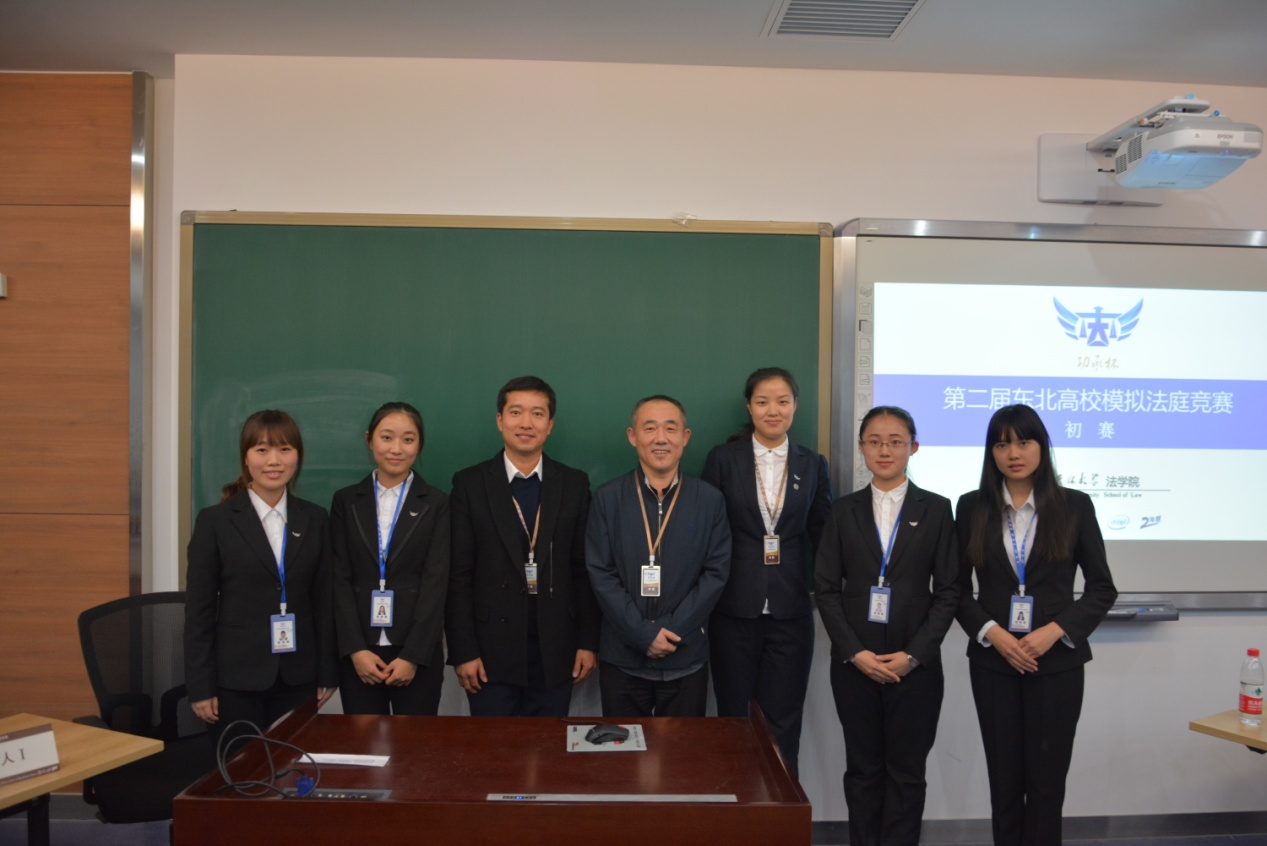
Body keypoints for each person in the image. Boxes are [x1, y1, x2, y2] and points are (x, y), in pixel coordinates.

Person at [955, 404, 1118, 846]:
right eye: (1002, 444)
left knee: (1047, 786)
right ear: (991, 452)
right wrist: (993, 633)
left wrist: (1055, 630)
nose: (1014, 453)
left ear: (1042, 447)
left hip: (1057, 664)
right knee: (1004, 784)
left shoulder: (1074, 506)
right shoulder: (971, 507)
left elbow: (1102, 589)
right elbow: (955, 591)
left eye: (1024, 442)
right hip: (994, 664)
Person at [814, 406, 959, 846]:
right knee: (862, 771)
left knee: (907, 773)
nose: (885, 450)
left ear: (913, 447)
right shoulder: (843, 511)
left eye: (896, 441)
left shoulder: (937, 509)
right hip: (855, 665)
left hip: (915, 668)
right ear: (861, 448)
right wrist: (854, 652)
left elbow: (949, 591)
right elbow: (825, 588)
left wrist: (914, 655)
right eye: (875, 441)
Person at [701, 367, 831, 776]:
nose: (773, 410)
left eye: (782, 401)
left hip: (791, 613)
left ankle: (780, 808)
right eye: (762, 402)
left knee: (783, 722)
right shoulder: (724, 459)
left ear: (795, 406)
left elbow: (823, 535)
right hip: (732, 610)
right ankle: (738, 807)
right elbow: (708, 534)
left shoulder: (813, 463)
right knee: (734, 719)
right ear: (749, 407)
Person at [445, 376, 600, 717]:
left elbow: (583, 570)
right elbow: (458, 575)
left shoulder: (573, 484)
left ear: (550, 424)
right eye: (516, 412)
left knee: (548, 746)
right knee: (495, 747)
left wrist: (588, 642)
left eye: (537, 414)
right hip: (489, 653)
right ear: (500, 420)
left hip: (556, 649)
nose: (526, 423)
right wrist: (463, 651)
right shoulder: (470, 484)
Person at [184, 410, 337, 745]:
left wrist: (327, 673)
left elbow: (324, 601)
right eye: (262, 450)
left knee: (294, 766)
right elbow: (199, 610)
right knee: (240, 769)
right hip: (235, 679)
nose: (274, 461)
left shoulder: (315, 518)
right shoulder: (215, 521)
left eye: (284, 449)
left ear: (298, 455)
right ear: (246, 456)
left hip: (299, 675)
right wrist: (200, 686)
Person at [586, 395, 731, 717]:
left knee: (682, 750)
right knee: (622, 748)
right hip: (623, 657)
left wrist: (671, 629)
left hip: (686, 655)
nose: (660, 438)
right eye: (649, 428)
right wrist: (642, 633)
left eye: (670, 428)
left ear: (685, 437)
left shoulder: (710, 500)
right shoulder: (607, 498)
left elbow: (716, 573)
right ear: (632, 436)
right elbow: (600, 573)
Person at [330, 402, 449, 715]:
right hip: (360, 652)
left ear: (419, 444)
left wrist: (413, 656)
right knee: (364, 740)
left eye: (408, 439)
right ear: (369, 440)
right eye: (386, 437)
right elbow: (339, 578)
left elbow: (436, 582)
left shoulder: (437, 503)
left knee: (415, 742)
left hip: (415, 652)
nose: (396, 449)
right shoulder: (345, 501)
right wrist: (355, 650)